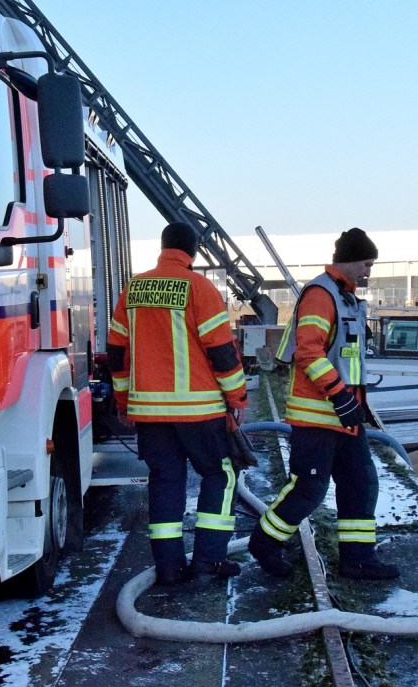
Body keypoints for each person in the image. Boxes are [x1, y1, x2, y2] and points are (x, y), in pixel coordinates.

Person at [249, 227, 400, 582]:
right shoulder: (322, 294)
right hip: (319, 417)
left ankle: (358, 559)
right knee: (309, 488)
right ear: (349, 261)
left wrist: (352, 405)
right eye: (366, 264)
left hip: (345, 416)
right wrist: (339, 395)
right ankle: (265, 541)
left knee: (361, 483)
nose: (368, 272)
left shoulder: (345, 297)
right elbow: (308, 352)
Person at [107, 221, 249, 586]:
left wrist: (123, 402)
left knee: (165, 482)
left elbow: (116, 353)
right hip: (199, 412)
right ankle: (209, 559)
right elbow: (222, 352)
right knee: (221, 475)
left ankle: (169, 567)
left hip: (150, 415)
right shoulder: (199, 288)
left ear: (163, 246)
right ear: (194, 252)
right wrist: (237, 397)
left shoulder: (133, 289)